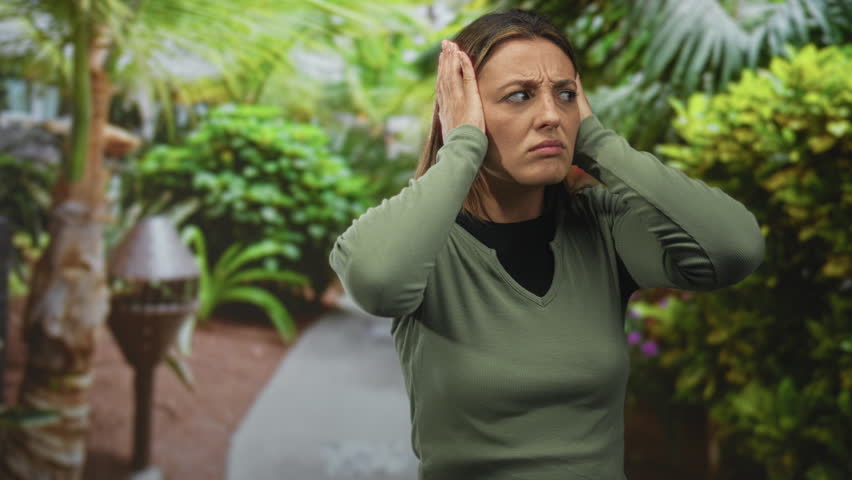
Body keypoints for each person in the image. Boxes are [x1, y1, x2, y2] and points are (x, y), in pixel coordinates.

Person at [328, 8, 764, 480]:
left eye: (565, 94)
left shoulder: (602, 228)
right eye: (519, 96)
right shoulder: (425, 241)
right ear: (464, 111)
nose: (551, 116)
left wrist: (595, 141)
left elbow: (732, 250)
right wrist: (462, 147)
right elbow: (376, 280)